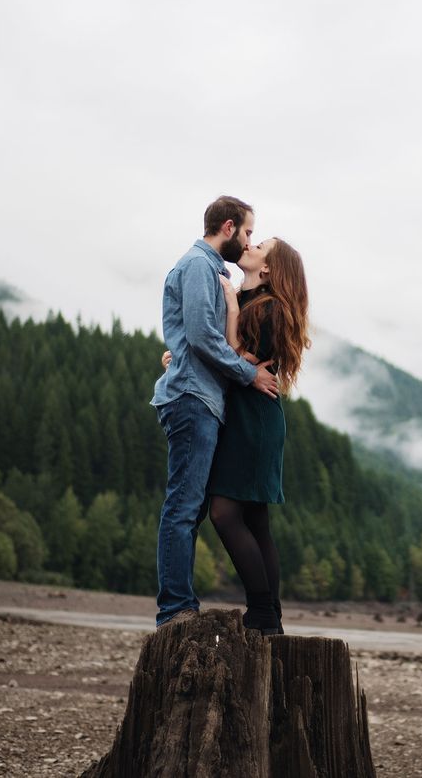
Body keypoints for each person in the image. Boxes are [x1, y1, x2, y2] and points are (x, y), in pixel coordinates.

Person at [162, 236, 310, 635]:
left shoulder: (268, 309)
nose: (251, 243)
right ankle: (270, 617)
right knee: (255, 521)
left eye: (261, 244)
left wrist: (228, 309)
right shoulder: (252, 303)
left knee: (225, 514)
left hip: (254, 420)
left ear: (268, 269)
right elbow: (224, 353)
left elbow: (231, 355)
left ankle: (262, 611)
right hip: (245, 417)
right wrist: (184, 355)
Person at [150, 196, 280, 628]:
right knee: (185, 508)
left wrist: (179, 356)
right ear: (228, 227)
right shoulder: (200, 267)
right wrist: (248, 373)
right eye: (246, 232)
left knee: (193, 509)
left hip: (200, 397)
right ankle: (175, 609)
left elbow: (196, 339)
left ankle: (185, 605)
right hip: (193, 399)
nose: (247, 240)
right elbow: (205, 339)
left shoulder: (212, 271)